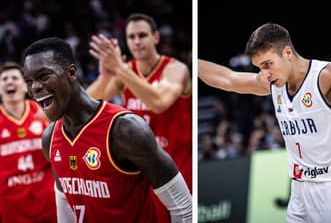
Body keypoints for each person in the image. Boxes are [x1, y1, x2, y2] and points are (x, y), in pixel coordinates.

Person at [198, 23, 331, 223]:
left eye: (267, 64)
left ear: (287, 53)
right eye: (259, 68)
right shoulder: (273, 84)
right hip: (299, 190)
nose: (264, 74)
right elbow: (228, 79)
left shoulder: (326, 75)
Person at [23, 37, 192, 223]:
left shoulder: (125, 129)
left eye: (44, 76)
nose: (35, 87)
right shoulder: (50, 138)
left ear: (71, 72)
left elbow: (184, 208)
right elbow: (66, 211)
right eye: (29, 81)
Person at [86, 13, 192, 222]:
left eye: (142, 35)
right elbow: (86, 105)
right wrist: (105, 77)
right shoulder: (126, 72)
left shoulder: (175, 69)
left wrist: (120, 69)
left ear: (156, 38)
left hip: (176, 169)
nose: (136, 41)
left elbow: (159, 102)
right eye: (131, 37)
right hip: (142, 174)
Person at [0, 62, 57, 222]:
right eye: (4, 79)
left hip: (47, 202)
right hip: (12, 206)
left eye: (14, 78)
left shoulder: (45, 112)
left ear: (26, 87)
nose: (10, 82)